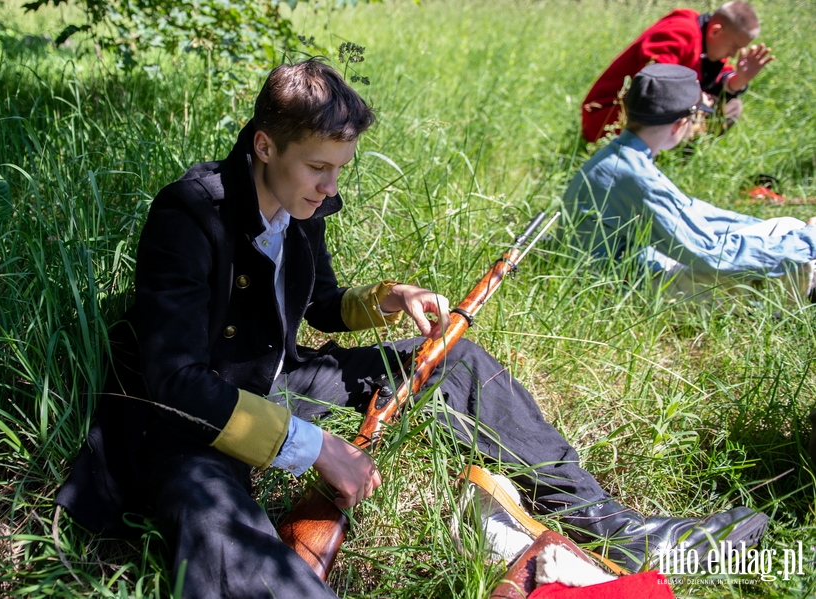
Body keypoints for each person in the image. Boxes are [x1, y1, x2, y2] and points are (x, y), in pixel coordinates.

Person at [56, 59, 768, 598]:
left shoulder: (303, 199)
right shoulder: (190, 213)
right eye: (319, 168)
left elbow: (321, 307)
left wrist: (385, 299)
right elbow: (174, 379)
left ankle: (613, 525)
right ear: (266, 145)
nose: (332, 186)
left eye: (341, 169)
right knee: (220, 534)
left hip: (275, 379)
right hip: (183, 422)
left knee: (452, 361)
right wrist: (314, 448)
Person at [565, 63, 816, 302]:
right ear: (680, 124)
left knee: (784, 228)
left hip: (629, 269)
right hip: (624, 288)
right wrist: (807, 240)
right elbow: (710, 254)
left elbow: (691, 211)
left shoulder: (621, 156)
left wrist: (784, 233)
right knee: (791, 264)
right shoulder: (634, 175)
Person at [581, 1, 774, 143]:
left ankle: (677, 156)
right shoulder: (680, 32)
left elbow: (716, 78)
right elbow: (656, 83)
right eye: (733, 47)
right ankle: (658, 159)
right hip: (610, 117)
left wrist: (740, 79)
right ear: (716, 31)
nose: (733, 54)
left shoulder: (711, 44)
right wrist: (697, 98)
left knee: (732, 106)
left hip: (655, 120)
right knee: (692, 110)